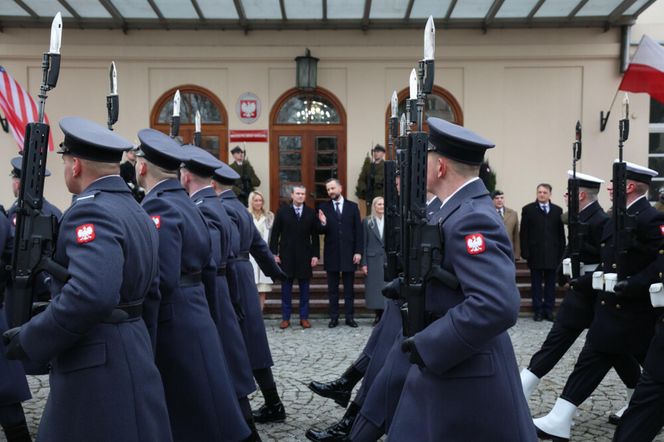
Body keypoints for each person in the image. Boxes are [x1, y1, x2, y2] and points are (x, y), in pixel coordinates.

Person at [3, 116, 173, 441]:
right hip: (130, 348)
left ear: (76, 165)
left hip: (96, 361)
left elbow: (90, 294)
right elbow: (152, 292)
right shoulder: (135, 209)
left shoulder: (89, 211)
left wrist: (32, 337)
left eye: (66, 161)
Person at [382, 117, 537, 441]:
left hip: (466, 370)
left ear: (440, 167)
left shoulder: (472, 217)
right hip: (454, 367)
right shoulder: (454, 210)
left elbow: (497, 304)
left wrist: (430, 345)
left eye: (423, 158)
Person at [533, 162, 664, 441]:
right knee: (621, 359)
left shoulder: (649, 217)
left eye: (614, 184)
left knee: (598, 356)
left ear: (628, 187)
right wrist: (592, 279)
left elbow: (659, 262)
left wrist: (635, 284)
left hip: (630, 308)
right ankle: (561, 418)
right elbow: (611, 261)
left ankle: (560, 418)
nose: (608, 188)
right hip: (612, 306)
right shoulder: (619, 216)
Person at [135, 128, 250, 442]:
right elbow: (210, 267)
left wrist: (147, 336)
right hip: (196, 311)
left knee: (191, 410)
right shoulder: (190, 204)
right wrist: (211, 313)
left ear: (142, 167)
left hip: (176, 320)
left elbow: (161, 281)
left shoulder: (158, 206)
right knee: (207, 403)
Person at [519, 172, 639, 412]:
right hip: (579, 295)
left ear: (581, 195)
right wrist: (563, 270)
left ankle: (638, 402)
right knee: (556, 342)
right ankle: (521, 390)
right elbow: (572, 249)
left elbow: (608, 260)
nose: (564, 195)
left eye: (569, 191)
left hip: (595, 296)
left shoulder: (600, 220)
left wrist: (582, 278)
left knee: (617, 351)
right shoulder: (578, 217)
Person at [179, 145, 262, 441]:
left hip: (218, 293)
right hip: (226, 292)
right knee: (228, 371)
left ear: (187, 177)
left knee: (224, 373)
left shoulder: (208, 209)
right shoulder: (215, 206)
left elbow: (211, 265)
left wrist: (214, 308)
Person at [213, 167, 289, 425]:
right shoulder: (240, 210)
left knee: (234, 345)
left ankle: (244, 409)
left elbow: (228, 251)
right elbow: (259, 246)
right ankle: (273, 402)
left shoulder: (221, 209)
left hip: (232, 277)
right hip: (244, 276)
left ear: (213, 184)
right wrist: (277, 273)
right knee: (254, 343)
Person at [269, 184, 319, 329]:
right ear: (292, 195)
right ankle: (286, 318)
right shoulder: (282, 211)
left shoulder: (310, 212)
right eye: (297, 193)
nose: (300, 196)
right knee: (286, 290)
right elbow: (275, 234)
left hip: (305, 256)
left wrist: (315, 255)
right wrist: (274, 253)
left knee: (304, 290)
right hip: (286, 256)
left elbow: (314, 236)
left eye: (303, 194)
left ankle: (304, 317)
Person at [317, 178, 363, 328]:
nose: (330, 192)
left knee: (349, 289)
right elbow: (320, 231)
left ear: (340, 188)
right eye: (328, 189)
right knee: (333, 290)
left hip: (350, 254)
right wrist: (323, 222)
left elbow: (358, 232)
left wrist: (358, 251)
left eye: (332, 188)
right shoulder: (324, 207)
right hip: (332, 254)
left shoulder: (353, 207)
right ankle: (334, 317)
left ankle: (349, 317)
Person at [520, 183, 565, 321]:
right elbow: (524, 233)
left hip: (552, 253)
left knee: (551, 284)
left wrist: (562, 253)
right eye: (539, 192)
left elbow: (560, 234)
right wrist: (525, 252)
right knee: (536, 284)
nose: (541, 194)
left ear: (550, 194)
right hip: (535, 253)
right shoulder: (528, 209)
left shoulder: (557, 210)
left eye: (544, 192)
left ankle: (549, 309)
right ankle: (538, 310)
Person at [361, 196, 386, 325]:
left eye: (383, 204)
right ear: (374, 206)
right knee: (374, 289)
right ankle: (377, 315)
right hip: (372, 260)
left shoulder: (391, 221)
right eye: (379, 204)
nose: (381, 206)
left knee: (385, 287)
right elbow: (363, 243)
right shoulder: (367, 221)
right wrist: (364, 263)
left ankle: (385, 315)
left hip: (386, 260)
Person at [248, 191, 274, 312]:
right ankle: (252, 314)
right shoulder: (246, 215)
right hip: (250, 255)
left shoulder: (269, 216)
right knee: (251, 287)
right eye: (256, 200)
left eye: (260, 200)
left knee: (263, 288)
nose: (258, 203)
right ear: (251, 202)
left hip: (264, 254)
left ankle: (260, 313)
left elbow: (272, 236)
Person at [356, 144, 386, 214]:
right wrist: (364, 189)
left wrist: (375, 178)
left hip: (381, 194)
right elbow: (361, 179)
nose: (375, 153)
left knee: (381, 213)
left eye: (378, 151)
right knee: (369, 214)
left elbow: (386, 179)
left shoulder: (385, 165)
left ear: (383, 153)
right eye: (374, 151)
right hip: (369, 194)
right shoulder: (368, 166)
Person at [493, 189, 520, 259]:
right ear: (492, 200)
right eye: (497, 198)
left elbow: (516, 235)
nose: (499, 200)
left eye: (502, 198)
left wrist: (516, 255)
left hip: (508, 251)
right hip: (493, 251)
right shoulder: (488, 213)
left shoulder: (513, 214)